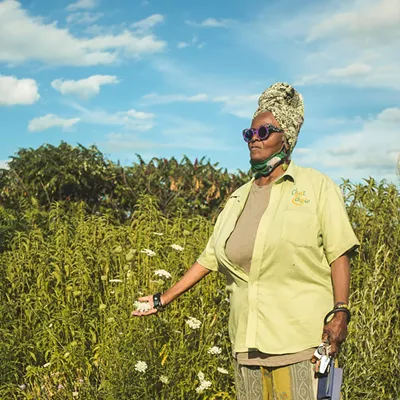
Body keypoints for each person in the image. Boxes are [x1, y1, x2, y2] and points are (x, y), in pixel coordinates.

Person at [132, 82, 359, 400]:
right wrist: (162, 299)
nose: (254, 139)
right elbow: (209, 257)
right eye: (249, 133)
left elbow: (339, 254)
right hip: (247, 346)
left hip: (301, 344)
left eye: (264, 132)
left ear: (286, 138)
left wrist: (340, 313)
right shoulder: (238, 198)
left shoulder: (316, 187)